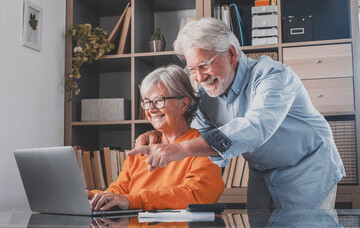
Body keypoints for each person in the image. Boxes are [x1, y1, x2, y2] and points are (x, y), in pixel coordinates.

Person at [128, 17, 345, 209]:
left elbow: (256, 127)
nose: (199, 78)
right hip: (262, 173)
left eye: (203, 66)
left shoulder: (272, 75)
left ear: (231, 53)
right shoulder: (205, 98)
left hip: (307, 168)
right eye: (192, 70)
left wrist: (178, 148)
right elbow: (198, 138)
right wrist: (159, 136)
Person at [87, 64, 225, 211]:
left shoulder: (202, 148)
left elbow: (195, 195)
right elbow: (120, 190)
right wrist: (94, 197)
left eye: (159, 100)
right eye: (146, 102)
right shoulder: (144, 146)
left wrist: (134, 200)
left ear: (183, 104)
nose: (151, 109)